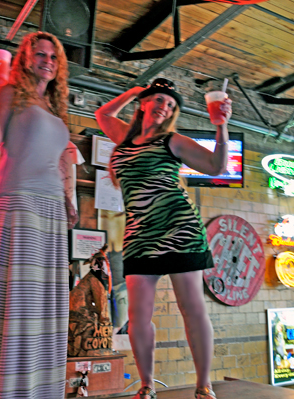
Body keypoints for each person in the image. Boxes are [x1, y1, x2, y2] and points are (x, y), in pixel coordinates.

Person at [95, 78, 232, 399]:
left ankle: (204, 385)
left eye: (170, 105)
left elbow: (216, 166)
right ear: (144, 103)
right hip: (140, 235)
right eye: (158, 99)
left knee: (192, 307)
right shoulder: (124, 140)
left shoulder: (171, 140)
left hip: (179, 229)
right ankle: (146, 385)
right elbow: (102, 115)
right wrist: (134, 91)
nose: (164, 107)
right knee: (138, 315)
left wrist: (221, 126)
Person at [0, 31, 77, 399]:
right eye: (40, 54)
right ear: (25, 58)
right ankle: (9, 389)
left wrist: (69, 199)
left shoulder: (53, 105)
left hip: (52, 205)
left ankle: (42, 389)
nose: (47, 61)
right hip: (18, 200)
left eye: (53, 56)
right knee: (17, 300)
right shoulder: (9, 92)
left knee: (48, 304)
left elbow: (57, 159)